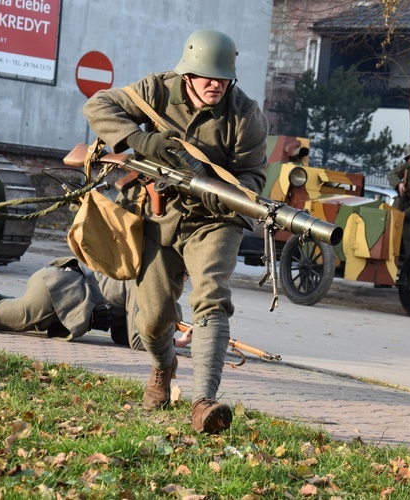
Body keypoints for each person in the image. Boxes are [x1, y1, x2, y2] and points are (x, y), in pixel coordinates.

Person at [82, 29, 268, 433]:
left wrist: (234, 195)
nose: (215, 84)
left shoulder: (246, 115)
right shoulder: (156, 91)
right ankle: (163, 367)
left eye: (222, 77)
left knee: (212, 300)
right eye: (206, 76)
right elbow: (98, 105)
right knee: (151, 321)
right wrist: (141, 140)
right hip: (157, 215)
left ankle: (204, 402)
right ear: (187, 74)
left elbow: (254, 177)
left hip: (214, 221)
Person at [0, 256, 193, 349]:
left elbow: (123, 335)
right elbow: (141, 340)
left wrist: (170, 333)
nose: (186, 281)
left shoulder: (156, 281)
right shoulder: (152, 285)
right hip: (58, 294)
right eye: (186, 275)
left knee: (0, 311)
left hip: (60, 299)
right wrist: (172, 341)